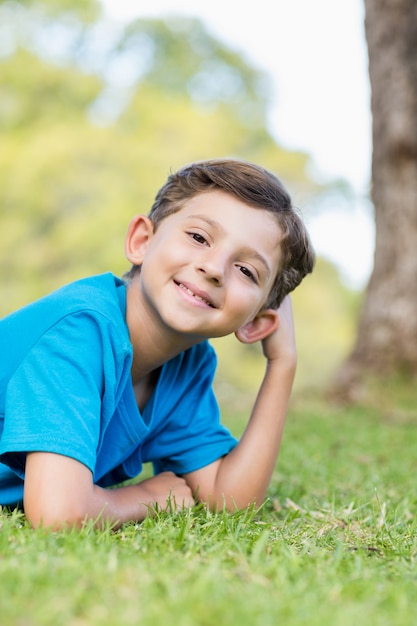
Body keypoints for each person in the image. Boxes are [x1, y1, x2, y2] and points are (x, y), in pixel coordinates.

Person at [0, 158, 315, 530]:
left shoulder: (189, 366)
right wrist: (142, 498)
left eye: (247, 271)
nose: (214, 268)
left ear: (257, 322)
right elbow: (58, 514)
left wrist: (282, 363)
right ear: (141, 241)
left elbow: (229, 502)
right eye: (198, 237)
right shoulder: (80, 329)